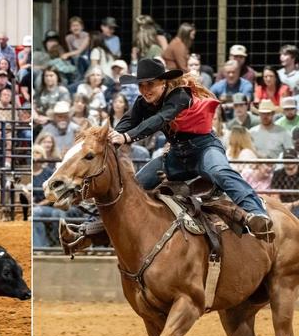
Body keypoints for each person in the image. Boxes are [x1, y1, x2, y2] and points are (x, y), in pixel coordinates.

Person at [62, 58, 274, 251]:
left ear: (163, 83)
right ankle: (90, 233)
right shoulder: (143, 102)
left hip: (204, 148)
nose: (145, 90)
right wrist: (112, 135)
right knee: (133, 187)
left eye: (150, 84)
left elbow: (159, 119)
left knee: (220, 171)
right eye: (141, 85)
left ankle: (257, 214)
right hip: (177, 156)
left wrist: (127, 138)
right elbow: (129, 121)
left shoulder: (180, 95)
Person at [271, 148, 299, 216]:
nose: (288, 161)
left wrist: (292, 205)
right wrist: (281, 205)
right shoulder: (278, 173)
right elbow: (274, 193)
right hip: (282, 204)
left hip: (297, 204)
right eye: (286, 159)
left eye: (291, 159)